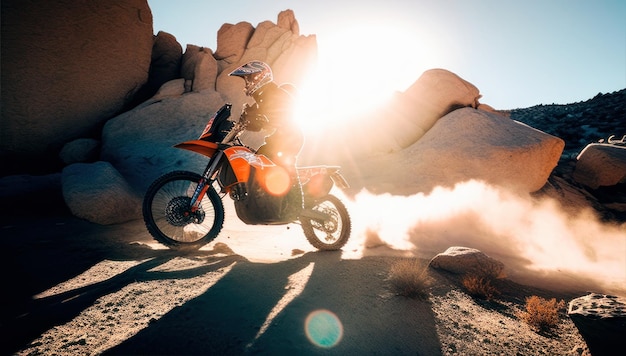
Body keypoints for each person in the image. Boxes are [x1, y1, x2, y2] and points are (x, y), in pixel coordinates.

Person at [228, 60, 304, 221]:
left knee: (284, 161)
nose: (247, 83)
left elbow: (282, 112)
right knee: (258, 160)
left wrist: (261, 118)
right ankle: (264, 199)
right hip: (277, 139)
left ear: (260, 77)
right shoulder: (262, 99)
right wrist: (242, 123)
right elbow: (256, 124)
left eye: (250, 79)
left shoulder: (275, 93)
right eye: (246, 80)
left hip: (290, 137)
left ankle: (298, 205)